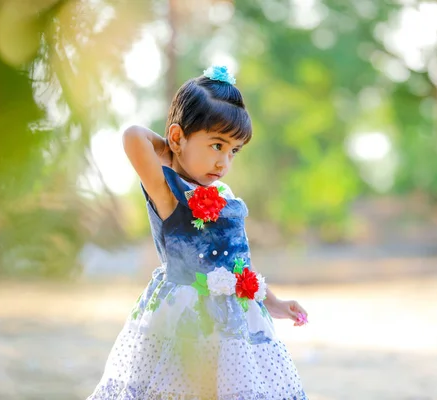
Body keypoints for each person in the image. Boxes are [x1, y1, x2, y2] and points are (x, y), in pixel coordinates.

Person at [87, 66, 309, 399]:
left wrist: (274, 302)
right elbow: (134, 136)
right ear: (177, 137)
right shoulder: (169, 193)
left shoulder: (226, 196)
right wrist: (173, 150)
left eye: (233, 151)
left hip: (234, 321)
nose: (224, 162)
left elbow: (238, 264)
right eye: (217, 145)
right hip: (185, 317)